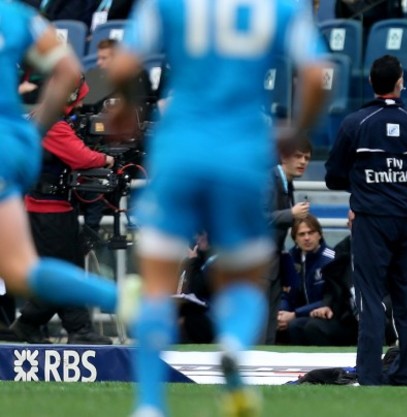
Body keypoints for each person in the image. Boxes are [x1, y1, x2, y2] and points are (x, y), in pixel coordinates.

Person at [108, 1, 327, 416]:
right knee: (245, 283)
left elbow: (120, 67)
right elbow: (317, 73)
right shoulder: (279, 8)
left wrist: (125, 106)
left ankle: (150, 404)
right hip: (240, 155)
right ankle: (231, 346)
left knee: (157, 288)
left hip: (178, 150)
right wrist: (297, 129)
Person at [325, 55, 407, 385]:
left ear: (370, 82)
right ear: (400, 84)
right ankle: (405, 372)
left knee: (369, 298)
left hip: (371, 220)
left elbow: (333, 177)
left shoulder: (356, 122)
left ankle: (369, 375)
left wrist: (365, 182)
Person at [0, 0, 117, 341]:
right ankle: (117, 300)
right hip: (9, 145)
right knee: (21, 270)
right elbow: (68, 70)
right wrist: (34, 131)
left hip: (34, 183)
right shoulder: (15, 15)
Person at [10, 78, 115, 345]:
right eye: (77, 98)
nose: (80, 104)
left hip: (48, 208)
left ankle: (30, 325)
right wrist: (107, 158)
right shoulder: (54, 125)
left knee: (67, 267)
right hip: (49, 211)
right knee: (66, 268)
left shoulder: (42, 117)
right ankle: (72, 328)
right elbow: (81, 157)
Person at [263, 138, 312, 345]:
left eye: (307, 158)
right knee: (260, 318)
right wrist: (290, 213)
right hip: (259, 260)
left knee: (269, 320)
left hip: (272, 260)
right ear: (284, 157)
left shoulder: (286, 183)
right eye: (298, 156)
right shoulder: (268, 180)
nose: (303, 162)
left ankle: (263, 366)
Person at [276, 214, 335, 344]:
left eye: (311, 233)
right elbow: (286, 293)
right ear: (295, 239)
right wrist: (282, 313)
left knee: (296, 326)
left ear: (319, 235)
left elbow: (331, 298)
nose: (307, 238)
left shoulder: (331, 259)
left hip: (325, 314)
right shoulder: (289, 259)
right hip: (296, 315)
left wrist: (295, 314)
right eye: (301, 234)